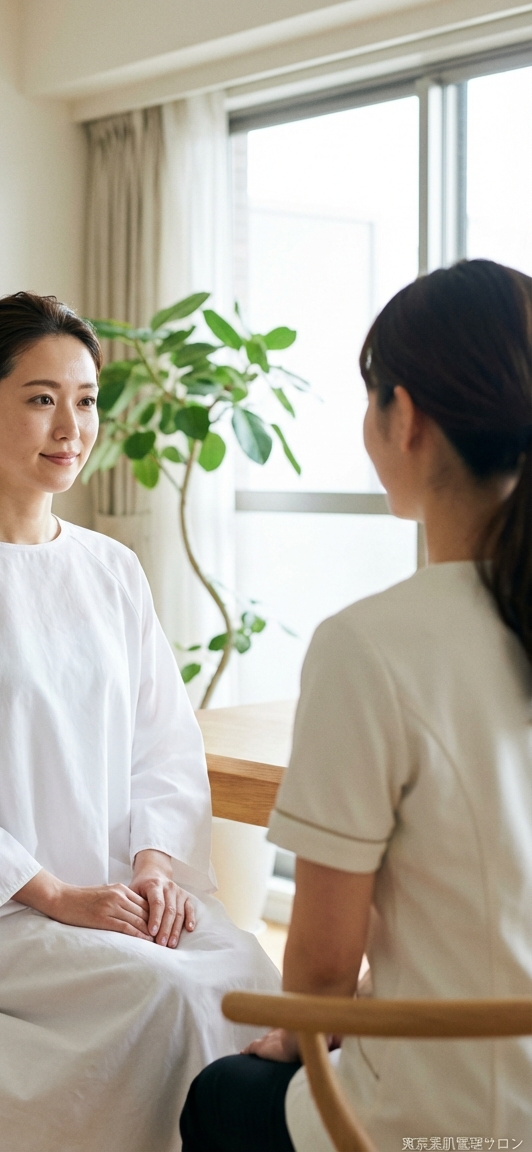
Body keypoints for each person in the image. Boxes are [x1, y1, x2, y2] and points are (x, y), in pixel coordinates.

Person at [0, 292, 280, 1152]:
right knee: (165, 992)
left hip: (115, 884)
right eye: (42, 399)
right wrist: (56, 895)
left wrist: (156, 865)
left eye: (85, 400)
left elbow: (162, 740)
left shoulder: (111, 569)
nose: (71, 426)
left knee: (248, 975)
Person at [180, 258, 532, 1151]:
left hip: (460, 1122)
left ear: (403, 416)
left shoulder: (371, 645)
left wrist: (304, 1029)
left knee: (224, 1094)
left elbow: (323, 970)